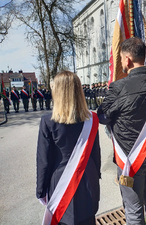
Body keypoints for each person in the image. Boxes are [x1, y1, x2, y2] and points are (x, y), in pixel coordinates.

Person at [97, 37, 146, 225]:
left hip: (130, 160)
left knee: (134, 210)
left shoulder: (118, 87)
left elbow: (102, 116)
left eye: (121, 58)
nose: (121, 62)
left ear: (127, 59)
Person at [36, 71, 101, 225]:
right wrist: (95, 174)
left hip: (60, 183)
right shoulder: (91, 119)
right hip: (88, 178)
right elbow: (95, 153)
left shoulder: (48, 121)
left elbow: (43, 160)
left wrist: (41, 190)